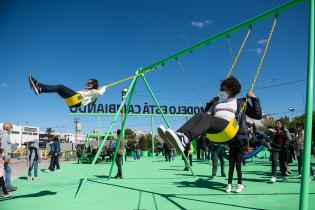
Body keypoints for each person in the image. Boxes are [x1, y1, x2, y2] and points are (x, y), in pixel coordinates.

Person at [158, 76, 262, 193]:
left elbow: (258, 115)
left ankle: (186, 138)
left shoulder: (241, 102)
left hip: (231, 130)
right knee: (200, 115)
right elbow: (204, 115)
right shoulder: (218, 103)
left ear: (231, 90)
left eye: (223, 89)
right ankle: (180, 135)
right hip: (216, 132)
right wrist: (210, 103)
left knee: (209, 119)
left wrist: (254, 98)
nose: (221, 92)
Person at [28, 75, 107, 107]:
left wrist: (104, 87)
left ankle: (38, 85)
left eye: (90, 83)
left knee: (60, 86)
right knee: (58, 89)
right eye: (88, 82)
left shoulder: (94, 91)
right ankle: (40, 89)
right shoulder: (85, 91)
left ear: (94, 84)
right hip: (72, 102)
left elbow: (100, 93)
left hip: (77, 101)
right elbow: (92, 101)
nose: (88, 84)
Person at [0, 123, 17, 192]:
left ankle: (7, 186)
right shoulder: (5, 135)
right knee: (6, 171)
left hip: (3, 156)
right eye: (11, 127)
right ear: (7, 128)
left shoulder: (3, 134)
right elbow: (3, 146)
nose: (12, 128)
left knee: (6, 170)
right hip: (4, 157)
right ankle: (6, 186)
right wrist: (6, 157)